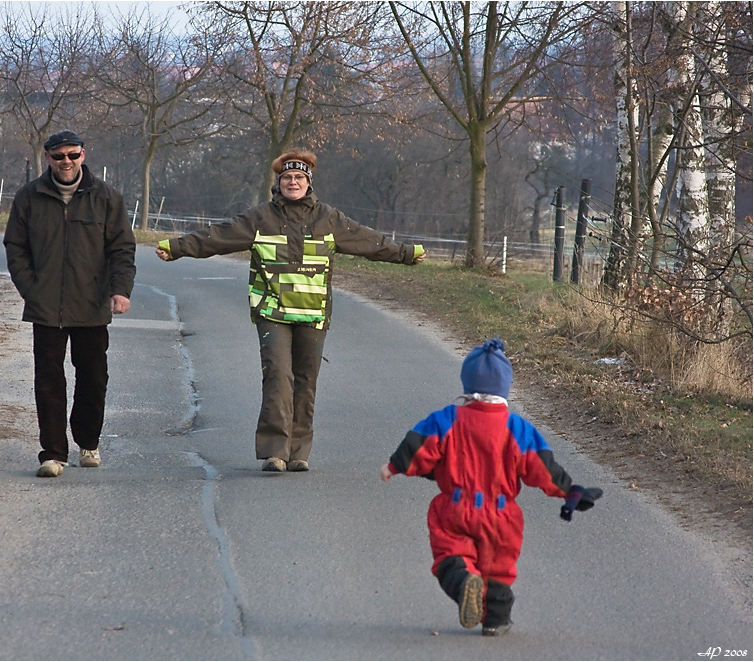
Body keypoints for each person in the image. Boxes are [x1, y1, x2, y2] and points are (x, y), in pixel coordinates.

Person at [155, 148, 426, 472]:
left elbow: (369, 241)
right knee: (277, 377)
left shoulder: (328, 218)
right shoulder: (261, 218)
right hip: (272, 312)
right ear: (278, 183)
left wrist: (407, 253)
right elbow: (217, 237)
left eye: (299, 177)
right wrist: (177, 247)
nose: (293, 182)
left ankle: (298, 452)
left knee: (305, 381)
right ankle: (274, 452)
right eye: (287, 177)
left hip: (313, 314)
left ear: (308, 181)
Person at [380, 338, 602, 636]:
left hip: (456, 508)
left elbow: (420, 445)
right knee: (498, 568)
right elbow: (543, 468)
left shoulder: (448, 419)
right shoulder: (518, 429)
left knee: (450, 552)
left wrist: (394, 466)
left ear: (466, 385)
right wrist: (571, 491)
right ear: (505, 389)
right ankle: (495, 620)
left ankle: (462, 582)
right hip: (502, 517)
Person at [4, 129, 137, 478]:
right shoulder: (28, 198)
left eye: (73, 155)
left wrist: (120, 290)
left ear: (83, 155)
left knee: (93, 378)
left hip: (92, 305)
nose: (67, 162)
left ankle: (88, 442)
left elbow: (122, 249)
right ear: (47, 158)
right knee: (48, 380)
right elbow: (15, 248)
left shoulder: (107, 198)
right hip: (45, 306)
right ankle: (52, 453)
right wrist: (30, 289)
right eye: (59, 156)